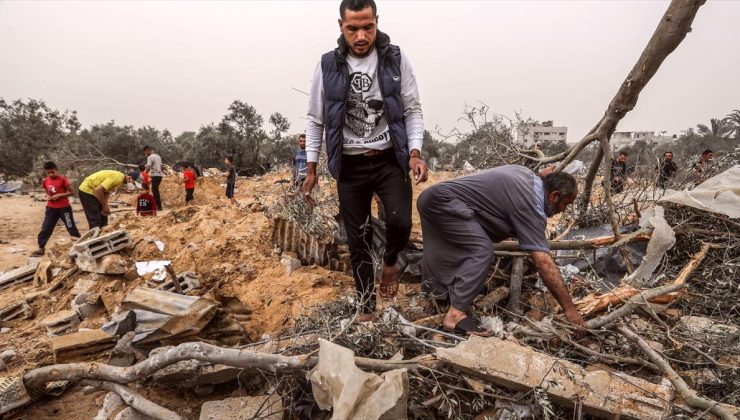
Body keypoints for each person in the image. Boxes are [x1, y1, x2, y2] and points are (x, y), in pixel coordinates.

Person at [302, 0, 428, 320]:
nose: (361, 36)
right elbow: (315, 119)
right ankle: (366, 306)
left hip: (389, 159)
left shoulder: (395, 59)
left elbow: (412, 109)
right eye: (352, 28)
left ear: (376, 23)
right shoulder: (327, 65)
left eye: (367, 27)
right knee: (358, 237)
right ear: (341, 27)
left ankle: (389, 265)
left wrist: (414, 153)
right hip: (350, 164)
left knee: (399, 222)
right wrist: (312, 167)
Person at [418, 166, 587, 335]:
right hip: (444, 204)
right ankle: (455, 315)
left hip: (432, 198)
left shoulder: (527, 175)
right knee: (482, 250)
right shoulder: (531, 206)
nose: (563, 210)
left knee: (447, 248)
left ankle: (435, 299)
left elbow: (538, 176)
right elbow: (543, 262)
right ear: (554, 196)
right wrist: (570, 309)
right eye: (565, 204)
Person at [30, 162, 81, 256]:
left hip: (64, 208)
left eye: (53, 172)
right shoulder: (46, 181)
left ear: (56, 169)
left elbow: (71, 192)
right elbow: (47, 192)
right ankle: (41, 248)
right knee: (46, 227)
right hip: (51, 208)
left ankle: (80, 245)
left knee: (71, 226)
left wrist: (59, 195)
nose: (51, 174)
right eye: (48, 173)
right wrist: (48, 196)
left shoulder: (62, 179)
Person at [143, 146, 164, 210]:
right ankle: (159, 206)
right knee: (156, 190)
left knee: (155, 191)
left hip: (154, 175)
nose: (145, 154)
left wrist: (144, 174)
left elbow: (148, 167)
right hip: (160, 176)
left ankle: (158, 207)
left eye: (145, 152)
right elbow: (162, 166)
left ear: (148, 150)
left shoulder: (150, 157)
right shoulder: (158, 156)